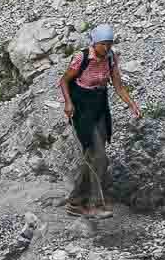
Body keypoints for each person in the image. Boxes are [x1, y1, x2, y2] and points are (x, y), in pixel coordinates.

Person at [56, 25, 142, 214]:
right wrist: (68, 103)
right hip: (82, 106)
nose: (107, 48)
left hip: (100, 105)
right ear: (95, 43)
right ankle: (94, 204)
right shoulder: (82, 57)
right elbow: (64, 81)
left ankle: (76, 201)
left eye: (110, 44)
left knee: (92, 154)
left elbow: (118, 85)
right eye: (103, 44)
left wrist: (132, 104)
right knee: (100, 157)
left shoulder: (111, 57)